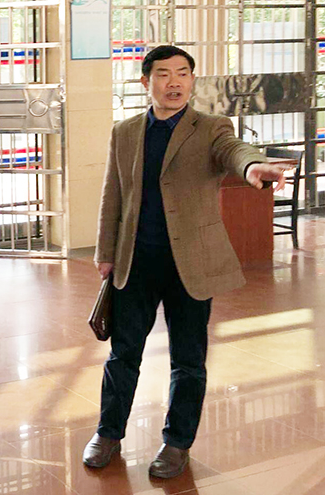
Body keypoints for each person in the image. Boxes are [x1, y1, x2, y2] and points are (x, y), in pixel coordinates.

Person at [84, 45, 288, 479]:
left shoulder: (212, 128)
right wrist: (106, 253)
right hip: (135, 262)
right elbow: (112, 193)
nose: (174, 82)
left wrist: (253, 167)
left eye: (182, 73)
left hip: (190, 264)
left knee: (188, 360)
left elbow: (234, 151)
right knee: (123, 355)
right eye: (163, 74)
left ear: (192, 81)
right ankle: (108, 433)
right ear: (146, 82)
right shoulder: (125, 132)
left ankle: (177, 443)